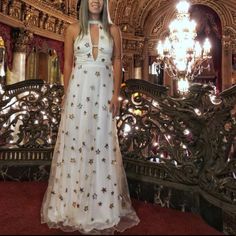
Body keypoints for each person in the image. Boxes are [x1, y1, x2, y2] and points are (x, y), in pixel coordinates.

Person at [41, 0, 140, 234]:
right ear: (84, 2)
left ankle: (102, 207)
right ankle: (71, 205)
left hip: (104, 91)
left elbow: (117, 62)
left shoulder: (113, 30)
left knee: (101, 143)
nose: (95, 1)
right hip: (79, 90)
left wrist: (116, 95)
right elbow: (67, 64)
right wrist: (68, 94)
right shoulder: (73, 29)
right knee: (76, 143)